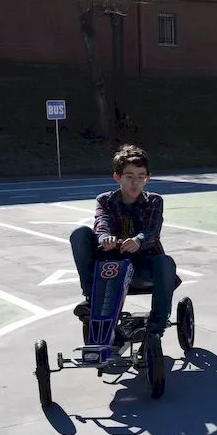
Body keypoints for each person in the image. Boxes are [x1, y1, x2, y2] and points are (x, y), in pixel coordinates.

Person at [69, 144, 181, 339]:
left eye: (141, 176)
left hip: (141, 267)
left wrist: (139, 240)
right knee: (80, 233)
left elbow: (153, 231)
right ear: (117, 177)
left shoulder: (154, 201)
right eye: (129, 176)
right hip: (110, 267)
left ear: (147, 178)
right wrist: (104, 238)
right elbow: (101, 221)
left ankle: (156, 325)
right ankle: (91, 296)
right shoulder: (105, 200)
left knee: (166, 262)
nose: (135, 182)